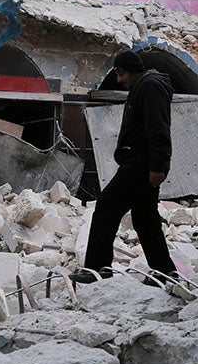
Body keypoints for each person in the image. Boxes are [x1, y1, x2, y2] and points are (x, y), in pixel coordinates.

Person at [76, 49, 178, 286]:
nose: (120, 81)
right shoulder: (144, 86)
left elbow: (158, 128)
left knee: (106, 207)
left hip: (141, 163)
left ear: (127, 71)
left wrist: (157, 166)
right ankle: (164, 271)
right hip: (143, 162)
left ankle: (97, 269)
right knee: (145, 217)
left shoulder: (149, 87)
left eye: (121, 75)